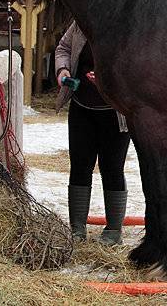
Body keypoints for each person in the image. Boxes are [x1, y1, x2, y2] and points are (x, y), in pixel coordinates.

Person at [55, 21, 130, 246]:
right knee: (79, 166)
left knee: (112, 168)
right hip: (81, 108)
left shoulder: (125, 22)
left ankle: (114, 230)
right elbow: (63, 48)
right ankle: (77, 228)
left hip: (115, 112)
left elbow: (139, 61)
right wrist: (63, 70)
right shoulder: (80, 22)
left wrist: (110, 79)